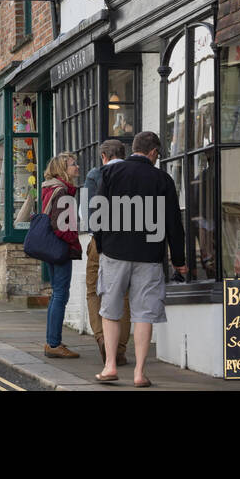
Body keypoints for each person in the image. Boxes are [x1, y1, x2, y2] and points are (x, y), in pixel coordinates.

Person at [95, 130, 186, 387]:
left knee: (111, 309)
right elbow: (173, 224)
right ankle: (139, 373)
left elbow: (98, 213)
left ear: (134, 148)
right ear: (154, 152)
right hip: (149, 256)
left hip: (115, 252)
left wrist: (102, 245)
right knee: (144, 313)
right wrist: (178, 259)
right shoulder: (162, 179)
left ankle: (110, 365)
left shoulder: (110, 173)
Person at [84, 138, 131, 365]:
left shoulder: (95, 174)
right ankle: (119, 349)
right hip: (128, 240)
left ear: (104, 156)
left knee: (94, 291)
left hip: (100, 240)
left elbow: (89, 212)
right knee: (123, 295)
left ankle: (103, 339)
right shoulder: (134, 172)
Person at [39, 151, 82, 358]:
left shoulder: (51, 189)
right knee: (60, 294)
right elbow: (61, 226)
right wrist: (74, 241)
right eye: (73, 164)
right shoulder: (62, 192)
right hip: (60, 248)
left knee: (57, 294)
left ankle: (52, 341)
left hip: (50, 248)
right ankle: (54, 343)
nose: (77, 167)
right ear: (63, 169)